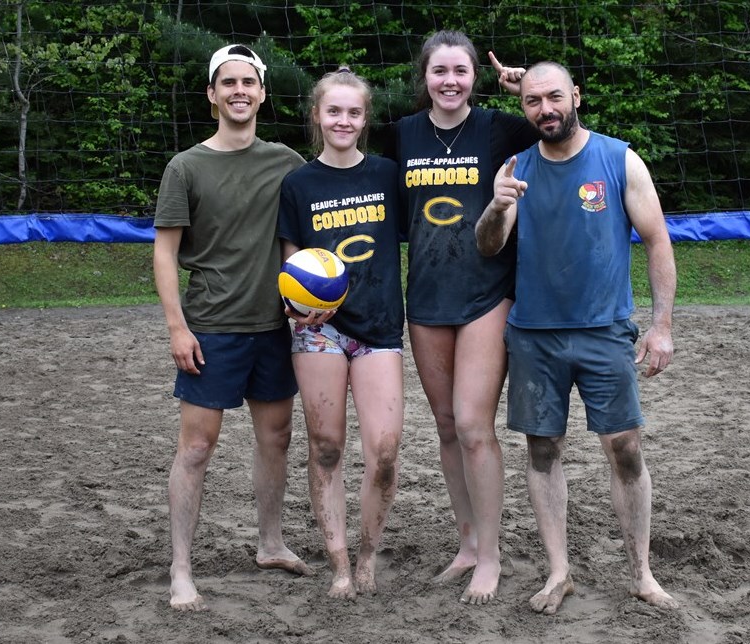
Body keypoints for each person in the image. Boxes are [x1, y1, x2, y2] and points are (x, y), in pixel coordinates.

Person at [475, 61, 680, 615]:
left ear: (577, 97)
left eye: (554, 98)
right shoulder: (515, 169)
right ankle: (558, 571)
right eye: (534, 101)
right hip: (534, 336)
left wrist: (661, 326)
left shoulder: (618, 159)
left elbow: (658, 242)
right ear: (524, 109)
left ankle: (641, 573)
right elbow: (489, 246)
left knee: (626, 449)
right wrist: (496, 205)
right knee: (543, 450)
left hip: (605, 332)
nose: (546, 109)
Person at [382, 29, 539, 605]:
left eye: (461, 71)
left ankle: (491, 557)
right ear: (423, 77)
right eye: (439, 71)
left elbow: (566, 120)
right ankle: (468, 542)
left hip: (486, 293)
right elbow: (339, 144)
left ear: (476, 76)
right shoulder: (401, 134)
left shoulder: (501, 128)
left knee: (474, 426)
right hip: (425, 297)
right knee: (447, 426)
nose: (450, 81)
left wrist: (527, 88)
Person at [153, 43, 311, 612]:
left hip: (274, 327)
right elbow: (165, 254)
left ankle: (270, 543)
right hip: (212, 328)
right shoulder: (186, 167)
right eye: (229, 83)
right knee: (196, 448)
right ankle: (180, 569)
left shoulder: (287, 162)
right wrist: (177, 327)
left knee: (276, 439)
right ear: (212, 95)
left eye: (249, 82)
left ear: (263, 93)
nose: (239, 91)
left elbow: (303, 240)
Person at [277, 68, 406, 600]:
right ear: (317, 116)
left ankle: (369, 552)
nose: (344, 120)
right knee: (326, 447)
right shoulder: (299, 183)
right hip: (319, 332)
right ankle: (339, 564)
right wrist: (300, 305)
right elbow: (290, 262)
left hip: (378, 328)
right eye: (334, 111)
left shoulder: (386, 174)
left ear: (365, 118)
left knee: (385, 452)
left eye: (354, 112)